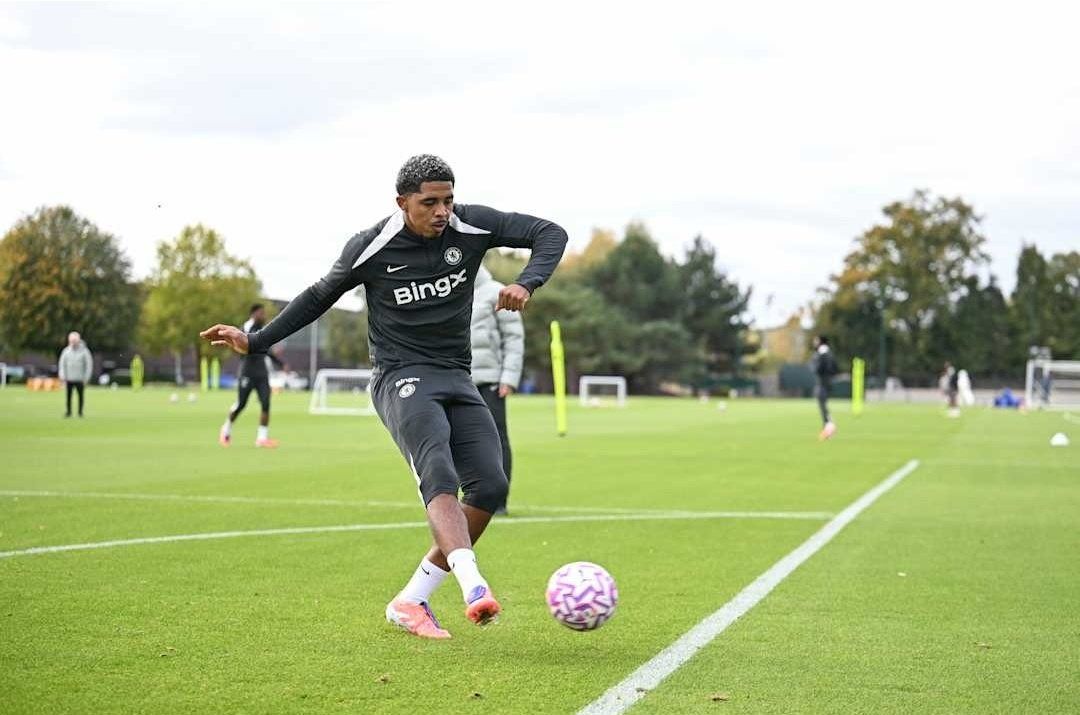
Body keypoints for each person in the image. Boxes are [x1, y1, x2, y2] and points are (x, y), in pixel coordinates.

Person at [200, 155, 567, 639]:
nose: (442, 212)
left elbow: (550, 233)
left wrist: (526, 281)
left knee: (491, 487)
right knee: (437, 467)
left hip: (458, 375)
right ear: (403, 202)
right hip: (400, 376)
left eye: (448, 200)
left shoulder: (471, 226)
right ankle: (473, 584)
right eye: (429, 202)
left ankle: (411, 600)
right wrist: (258, 340)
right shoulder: (372, 245)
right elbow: (318, 296)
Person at [470, 265, 524, 514]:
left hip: (491, 381)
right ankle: (471, 500)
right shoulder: (450, 290)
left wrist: (509, 377)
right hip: (457, 380)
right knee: (459, 443)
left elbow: (513, 338)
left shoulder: (497, 292)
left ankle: (499, 502)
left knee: (497, 440)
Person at [219, 304, 286, 448]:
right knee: (241, 404)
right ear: (254, 314)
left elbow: (266, 350)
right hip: (247, 373)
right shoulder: (244, 329)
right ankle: (226, 429)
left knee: (266, 404)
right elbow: (239, 347)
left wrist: (280, 363)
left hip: (262, 373)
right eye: (261, 313)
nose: (263, 316)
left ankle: (261, 438)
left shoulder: (261, 330)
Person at [58, 331, 93, 418]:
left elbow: (88, 365)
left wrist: (86, 378)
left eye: (75, 341)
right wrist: (63, 377)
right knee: (68, 397)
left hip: (80, 379)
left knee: (80, 396)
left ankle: (80, 412)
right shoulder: (66, 351)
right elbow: (62, 365)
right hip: (69, 378)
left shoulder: (85, 352)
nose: (73, 343)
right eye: (71, 341)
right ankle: (68, 412)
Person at [811, 335, 838, 439]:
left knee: (823, 406)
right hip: (827, 383)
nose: (814, 342)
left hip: (823, 383)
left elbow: (818, 369)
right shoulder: (829, 353)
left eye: (816, 340)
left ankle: (829, 427)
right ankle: (828, 427)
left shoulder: (822, 354)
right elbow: (835, 368)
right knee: (823, 405)